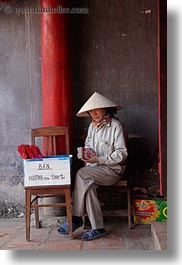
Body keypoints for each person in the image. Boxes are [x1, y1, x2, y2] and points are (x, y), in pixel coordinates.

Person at [58, 92, 128, 241]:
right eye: (91, 111)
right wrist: (87, 154)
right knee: (88, 186)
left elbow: (122, 154)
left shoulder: (116, 126)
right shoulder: (92, 127)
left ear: (106, 110)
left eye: (97, 109)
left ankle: (76, 218)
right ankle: (98, 228)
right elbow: (89, 145)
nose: (94, 113)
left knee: (82, 174)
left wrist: (100, 159)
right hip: (95, 171)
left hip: (113, 170)